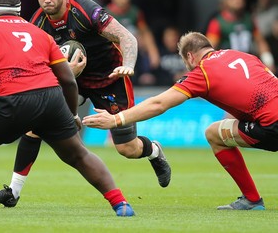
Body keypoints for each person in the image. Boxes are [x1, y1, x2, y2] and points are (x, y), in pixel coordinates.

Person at [0, 0, 135, 217]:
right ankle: (121, 204)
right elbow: (67, 80)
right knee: (78, 155)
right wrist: (71, 114)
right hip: (52, 100)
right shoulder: (39, 33)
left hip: (12, 98)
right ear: (20, 13)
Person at [0, 0, 171, 208]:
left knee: (126, 148)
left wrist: (129, 65)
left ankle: (154, 150)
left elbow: (127, 37)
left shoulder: (86, 10)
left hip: (109, 77)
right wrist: (63, 75)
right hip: (71, 79)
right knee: (34, 126)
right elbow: (35, 63)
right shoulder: (37, 23)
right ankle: (13, 193)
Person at [83, 31, 278, 210]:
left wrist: (116, 119)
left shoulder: (202, 73)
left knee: (214, 134)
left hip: (273, 125)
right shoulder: (244, 56)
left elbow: (158, 104)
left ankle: (252, 199)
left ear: (190, 57)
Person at [206, 0, 275, 72]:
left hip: (249, 63)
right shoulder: (217, 23)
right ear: (225, 2)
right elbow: (210, 48)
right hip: (228, 65)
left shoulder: (249, 19)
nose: (238, 1)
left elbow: (260, 42)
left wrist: (268, 60)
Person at [105, 0, 159, 86]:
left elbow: (145, 32)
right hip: (113, 51)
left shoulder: (135, 12)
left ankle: (144, 76)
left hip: (134, 50)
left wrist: (153, 52)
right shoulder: (105, 13)